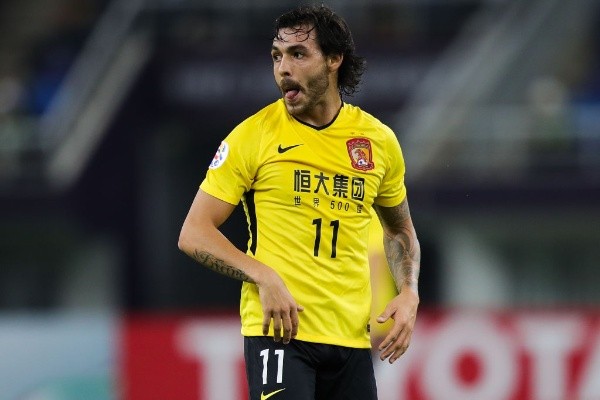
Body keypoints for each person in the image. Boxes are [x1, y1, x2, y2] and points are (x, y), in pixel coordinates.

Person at [178, 5, 420, 400]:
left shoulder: (377, 141)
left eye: (298, 54)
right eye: (277, 56)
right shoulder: (253, 136)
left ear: (334, 59)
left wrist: (409, 292)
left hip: (350, 340)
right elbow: (194, 233)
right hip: (279, 334)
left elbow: (399, 230)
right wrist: (263, 276)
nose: (283, 69)